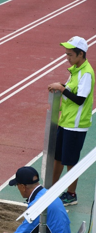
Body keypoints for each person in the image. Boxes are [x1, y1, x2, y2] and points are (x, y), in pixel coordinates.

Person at [48, 36, 95, 206]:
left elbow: (80, 99)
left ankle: (71, 194)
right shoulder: (75, 70)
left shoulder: (86, 73)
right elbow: (70, 91)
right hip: (66, 122)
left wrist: (62, 88)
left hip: (76, 126)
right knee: (58, 157)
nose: (67, 57)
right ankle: (51, 188)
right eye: (66, 54)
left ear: (81, 54)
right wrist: (62, 86)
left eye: (70, 54)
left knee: (71, 161)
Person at [9, 166, 71, 233]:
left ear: (23, 187)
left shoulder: (37, 206)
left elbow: (25, 230)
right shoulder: (49, 193)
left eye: (17, 185)